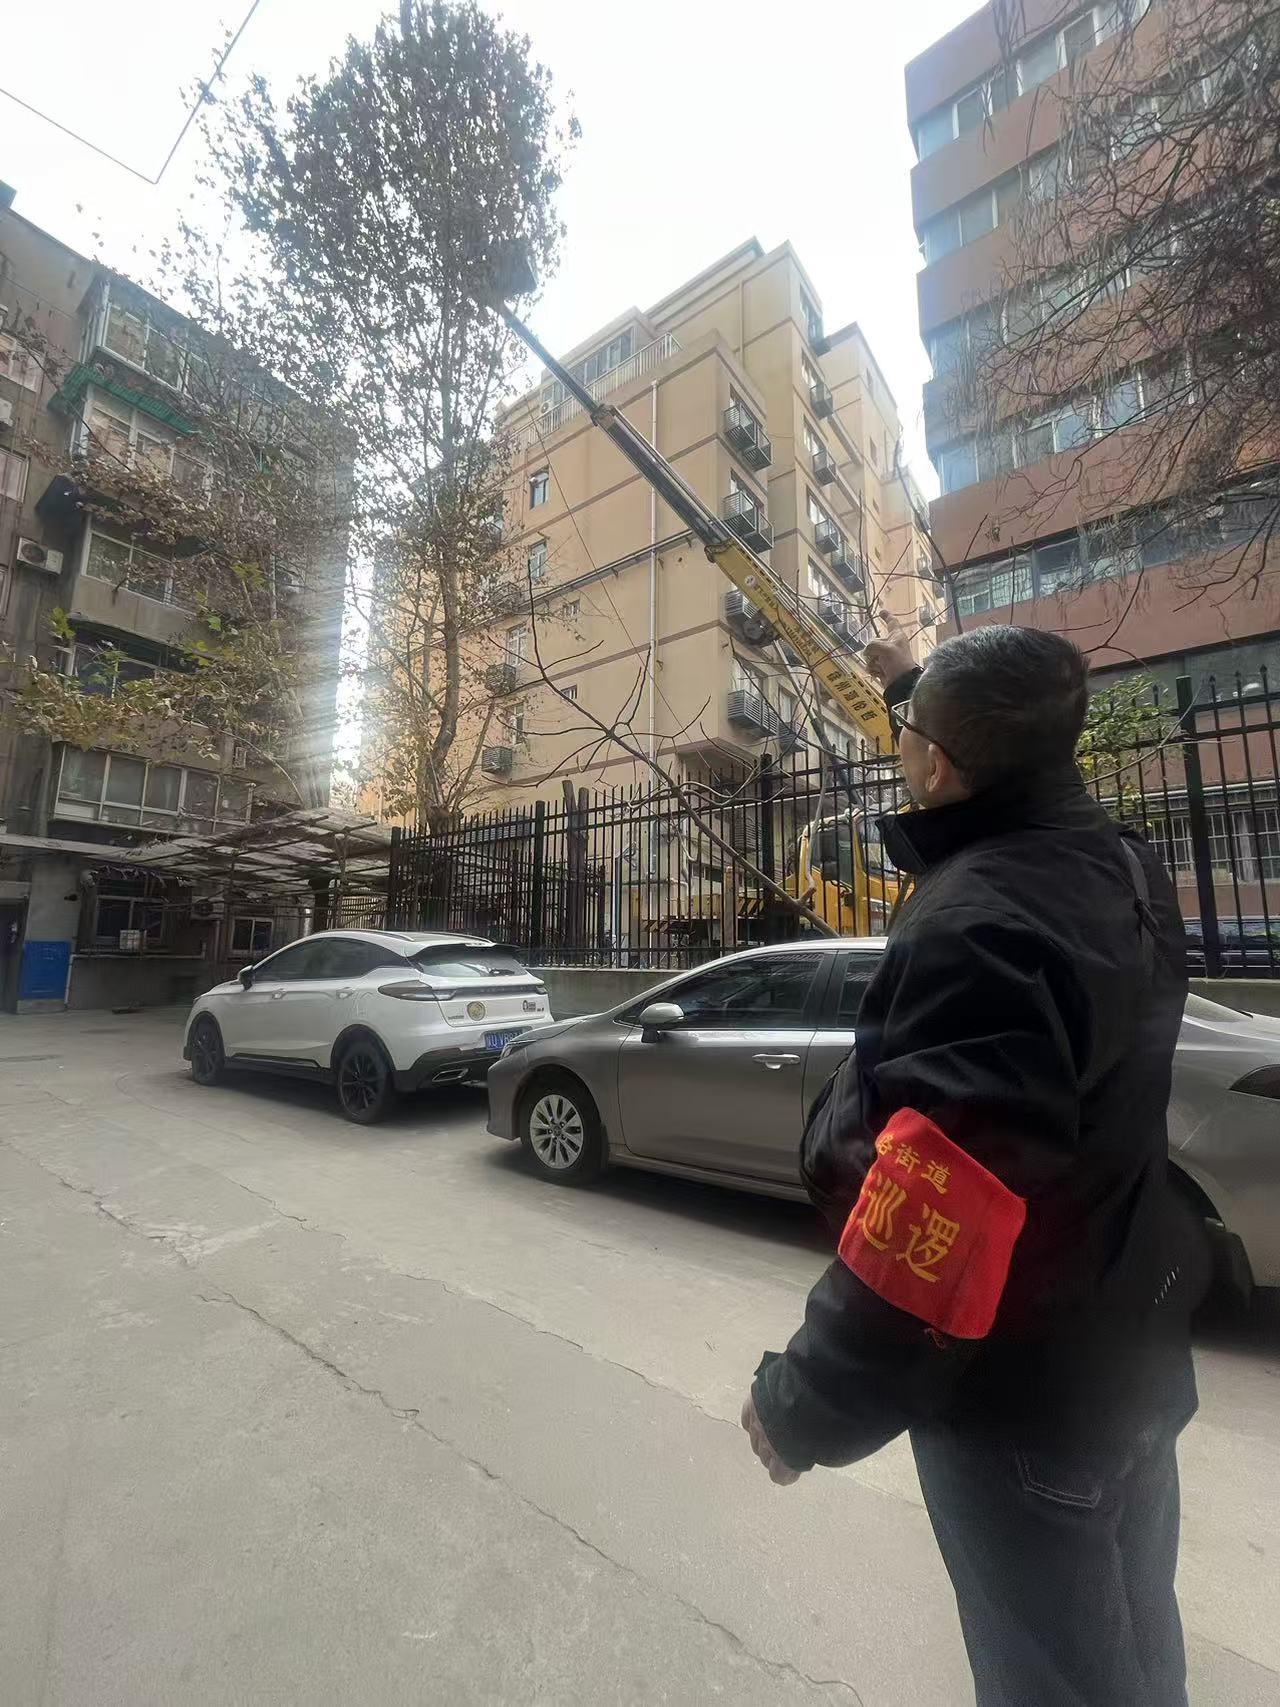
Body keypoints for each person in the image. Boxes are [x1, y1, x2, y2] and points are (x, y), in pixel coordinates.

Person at [741, 624, 1206, 1707]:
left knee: (1056, 1686)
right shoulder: (1121, 865)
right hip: (1129, 1352)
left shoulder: (976, 927)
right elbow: (1003, 767)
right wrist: (914, 686)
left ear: (939, 764)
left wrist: (806, 1401)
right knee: (1141, 1670)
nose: (900, 742)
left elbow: (934, 1225)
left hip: (1020, 1402)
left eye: (909, 730)